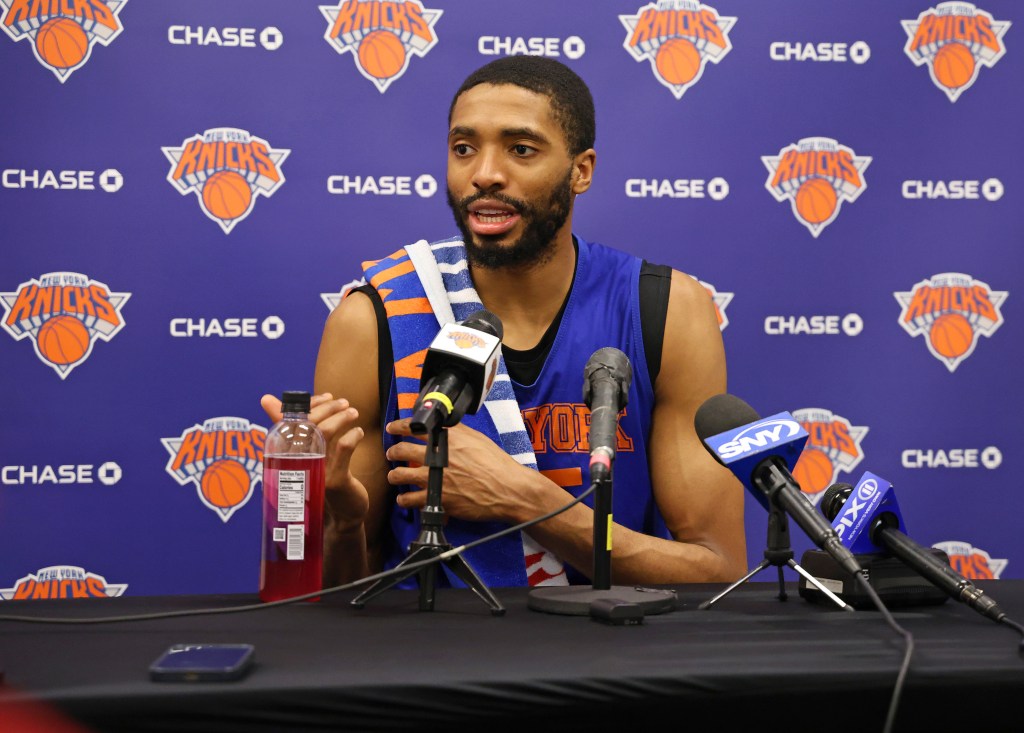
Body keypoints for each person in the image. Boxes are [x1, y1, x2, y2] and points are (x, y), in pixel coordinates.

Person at [261, 56, 746, 590]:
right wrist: (342, 525)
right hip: (432, 640)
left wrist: (525, 498)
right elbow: (329, 603)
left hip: (611, 637)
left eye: (521, 149)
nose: (485, 173)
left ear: (581, 170)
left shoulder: (666, 309)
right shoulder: (373, 318)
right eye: (463, 148)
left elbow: (718, 569)